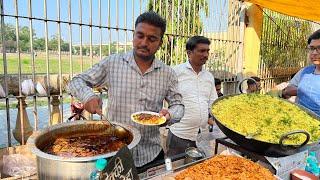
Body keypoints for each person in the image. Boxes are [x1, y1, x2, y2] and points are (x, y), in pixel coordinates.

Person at [67, 11, 184, 170]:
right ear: (133, 36)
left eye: (152, 39)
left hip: (151, 153)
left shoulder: (168, 73)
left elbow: (179, 105)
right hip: (115, 151)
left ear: (160, 43)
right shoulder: (113, 63)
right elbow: (76, 81)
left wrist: (169, 115)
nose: (144, 42)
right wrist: (88, 96)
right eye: (140, 35)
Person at [167, 36, 218, 157]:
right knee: (176, 171)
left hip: (203, 136)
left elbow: (213, 104)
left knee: (200, 172)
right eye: (201, 51)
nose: (206, 54)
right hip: (180, 135)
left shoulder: (209, 77)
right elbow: (163, 96)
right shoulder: (174, 72)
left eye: (207, 51)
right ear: (189, 53)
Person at [282, 29, 320, 117]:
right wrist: (288, 91)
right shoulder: (305, 71)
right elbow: (289, 88)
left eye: (319, 48)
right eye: (312, 48)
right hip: (299, 122)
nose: (314, 53)